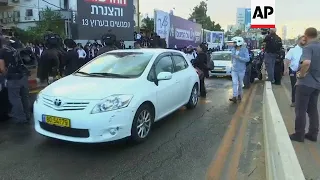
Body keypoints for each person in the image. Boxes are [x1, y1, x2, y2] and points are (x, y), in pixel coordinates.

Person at [290, 27, 320, 142]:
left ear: (306, 36)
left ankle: (299, 134)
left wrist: (301, 75)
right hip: (317, 84)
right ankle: (313, 133)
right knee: (312, 109)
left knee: (300, 109)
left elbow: (306, 62)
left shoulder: (308, 47)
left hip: (305, 84)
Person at [0, 37, 30, 124]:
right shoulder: (16, 49)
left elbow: (1, 68)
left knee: (15, 99)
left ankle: (21, 118)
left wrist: (5, 75)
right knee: (24, 97)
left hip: (13, 78)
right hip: (23, 76)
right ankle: (27, 115)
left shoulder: (2, 51)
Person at [284, 36, 307, 107]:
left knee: (303, 87)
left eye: (305, 41)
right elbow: (287, 60)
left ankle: (302, 102)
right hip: (293, 71)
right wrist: (286, 69)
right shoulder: (292, 50)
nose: (304, 42)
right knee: (294, 86)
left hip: (304, 71)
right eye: (303, 40)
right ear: (299, 40)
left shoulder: (307, 50)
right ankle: (294, 101)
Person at [229, 36, 250, 103]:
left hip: (241, 70)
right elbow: (232, 58)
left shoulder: (244, 50)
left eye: (234, 42)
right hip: (234, 70)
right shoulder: (233, 50)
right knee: (234, 83)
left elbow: (247, 59)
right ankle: (234, 96)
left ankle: (239, 95)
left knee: (240, 83)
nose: (233, 44)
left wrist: (239, 57)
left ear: (238, 42)